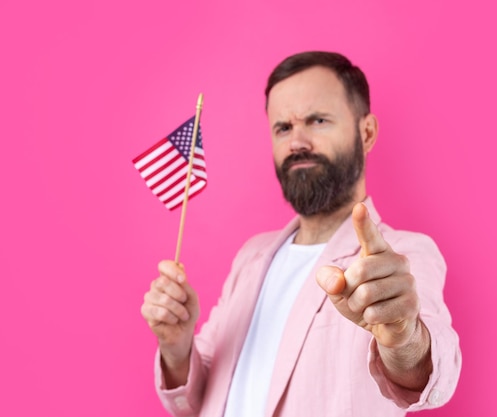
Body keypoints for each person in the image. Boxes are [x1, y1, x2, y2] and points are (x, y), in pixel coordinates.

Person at [141, 51, 461, 417]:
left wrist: (404, 336)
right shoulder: (251, 256)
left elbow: (434, 371)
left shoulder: (402, 254)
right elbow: (198, 397)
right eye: (283, 128)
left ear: (366, 132)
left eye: (318, 120)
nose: (297, 142)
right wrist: (177, 347)